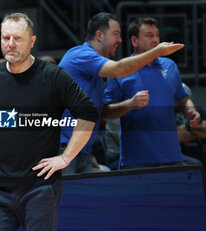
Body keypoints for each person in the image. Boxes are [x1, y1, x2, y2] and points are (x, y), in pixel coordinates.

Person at [0, 13, 98, 231]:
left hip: (40, 189)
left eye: (18, 38)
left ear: (32, 41)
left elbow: (88, 113)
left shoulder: (54, 76)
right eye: (6, 38)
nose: (11, 44)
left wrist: (65, 157)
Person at [58, 12, 185, 174]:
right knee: (61, 199)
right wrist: (156, 52)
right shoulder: (80, 54)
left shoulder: (93, 65)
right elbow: (119, 69)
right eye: (115, 34)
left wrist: (85, 151)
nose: (119, 40)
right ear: (99, 35)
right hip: (62, 147)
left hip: (78, 150)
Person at [102, 17, 201, 169]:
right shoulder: (120, 69)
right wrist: (130, 104)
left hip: (172, 156)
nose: (155, 40)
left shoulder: (170, 66)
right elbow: (106, 113)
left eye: (157, 35)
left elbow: (182, 98)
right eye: (149, 35)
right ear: (134, 41)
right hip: (136, 160)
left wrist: (191, 111)